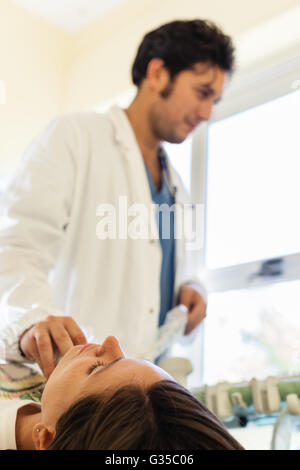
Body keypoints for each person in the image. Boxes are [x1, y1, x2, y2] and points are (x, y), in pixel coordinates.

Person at [0, 19, 235, 378]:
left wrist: (190, 288)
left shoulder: (177, 189)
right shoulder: (75, 137)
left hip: (144, 395)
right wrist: (32, 319)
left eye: (214, 101)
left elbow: (163, 268)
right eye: (202, 93)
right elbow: (17, 243)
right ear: (158, 73)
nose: (206, 114)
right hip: (77, 388)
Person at [0, 335, 243, 450]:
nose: (111, 342)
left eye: (97, 369)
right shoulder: (51, 397)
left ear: (46, 440)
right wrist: (25, 339)